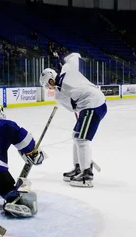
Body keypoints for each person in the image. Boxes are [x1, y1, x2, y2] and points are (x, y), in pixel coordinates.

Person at [39, 52, 107, 188]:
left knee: (82, 140)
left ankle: (86, 173)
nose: (49, 88)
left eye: (48, 85)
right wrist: (63, 59)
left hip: (92, 105)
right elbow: (76, 55)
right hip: (93, 102)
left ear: (51, 80)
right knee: (76, 136)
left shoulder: (59, 94)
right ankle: (79, 166)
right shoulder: (67, 69)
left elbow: (72, 108)